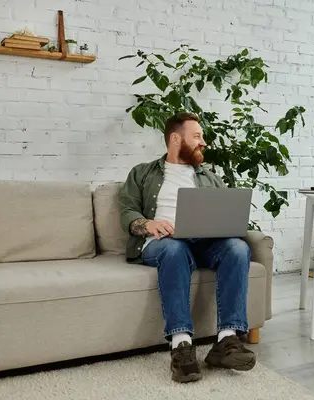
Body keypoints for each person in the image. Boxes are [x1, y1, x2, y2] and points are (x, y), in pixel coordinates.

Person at [119, 112, 255, 383]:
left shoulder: (209, 177)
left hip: (204, 244)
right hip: (162, 243)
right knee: (174, 250)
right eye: (197, 136)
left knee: (238, 248)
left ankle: (226, 341)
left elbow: (225, 213)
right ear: (175, 138)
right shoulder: (142, 173)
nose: (203, 142)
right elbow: (127, 210)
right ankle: (181, 346)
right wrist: (148, 224)